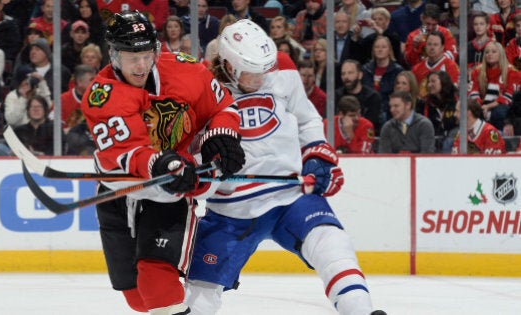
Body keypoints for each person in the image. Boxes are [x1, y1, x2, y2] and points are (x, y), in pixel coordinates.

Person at [184, 19, 385, 315]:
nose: (262, 77)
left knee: (333, 245)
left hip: (290, 194)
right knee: (198, 290)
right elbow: (191, 145)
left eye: (265, 69)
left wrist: (318, 155)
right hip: (232, 210)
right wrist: (201, 168)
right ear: (228, 64)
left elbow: (306, 119)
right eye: (252, 71)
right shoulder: (202, 85)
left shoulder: (282, 67)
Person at [79, 11, 245, 314]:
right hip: (121, 187)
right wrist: (161, 163)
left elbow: (224, 107)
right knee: (136, 297)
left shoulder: (186, 72)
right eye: (132, 58)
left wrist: (223, 136)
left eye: (146, 55)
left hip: (169, 192)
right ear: (114, 55)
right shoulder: (101, 95)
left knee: (156, 277)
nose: (141, 66)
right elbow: (128, 151)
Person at [469, 40, 518, 131]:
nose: (489, 54)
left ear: (501, 54)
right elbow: (473, 93)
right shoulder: (477, 71)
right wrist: (480, 107)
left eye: (494, 52)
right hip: (481, 106)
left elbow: (509, 97)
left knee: (499, 112)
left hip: (502, 108)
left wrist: (488, 107)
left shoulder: (512, 71)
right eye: (487, 52)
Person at [361, 36, 404, 125]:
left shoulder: (397, 70)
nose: (380, 50)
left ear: (389, 50)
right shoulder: (365, 69)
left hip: (388, 110)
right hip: (369, 109)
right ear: (373, 50)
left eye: (383, 47)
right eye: (377, 47)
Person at [336, 59, 383, 134]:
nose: (346, 77)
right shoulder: (336, 95)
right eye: (343, 74)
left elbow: (372, 126)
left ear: (360, 75)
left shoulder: (373, 97)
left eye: (350, 73)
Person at [419, 70, 459, 153]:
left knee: (448, 142)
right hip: (434, 139)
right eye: (428, 82)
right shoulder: (426, 103)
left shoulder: (457, 100)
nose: (429, 85)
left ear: (443, 81)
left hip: (454, 139)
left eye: (433, 81)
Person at [411, 31, 460, 98]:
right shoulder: (416, 69)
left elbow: (454, 93)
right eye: (429, 44)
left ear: (442, 47)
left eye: (435, 45)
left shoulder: (451, 67)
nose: (432, 48)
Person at [55, 64, 95, 132]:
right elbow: (55, 129)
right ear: (79, 82)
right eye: (91, 80)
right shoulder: (62, 100)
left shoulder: (100, 99)